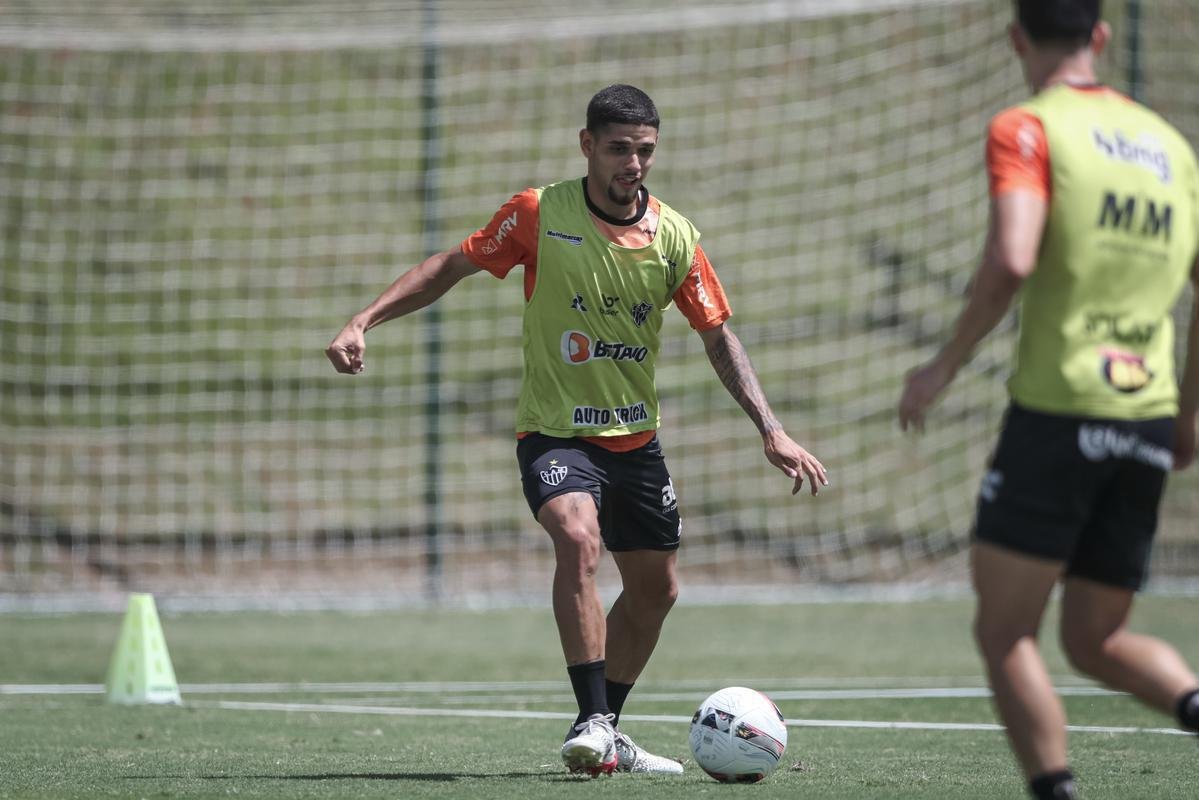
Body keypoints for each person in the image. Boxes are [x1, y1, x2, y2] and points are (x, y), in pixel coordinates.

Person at [327, 84, 827, 777]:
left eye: (644, 150)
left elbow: (718, 336)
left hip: (635, 441)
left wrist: (770, 429)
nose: (633, 163)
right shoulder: (539, 213)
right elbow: (452, 265)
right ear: (586, 144)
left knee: (656, 591)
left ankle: (607, 731)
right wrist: (363, 320)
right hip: (554, 434)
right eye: (619, 148)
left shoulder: (675, 236)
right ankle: (592, 715)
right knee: (576, 535)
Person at [898, 2, 1199, 798]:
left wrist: (941, 365)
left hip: (1061, 411)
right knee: (1097, 640)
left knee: (1004, 633)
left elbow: (1014, 253)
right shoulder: (1171, 149)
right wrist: (1188, 415)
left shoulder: (1027, 129)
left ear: (1014, 37)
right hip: (1144, 419)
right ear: (1099, 37)